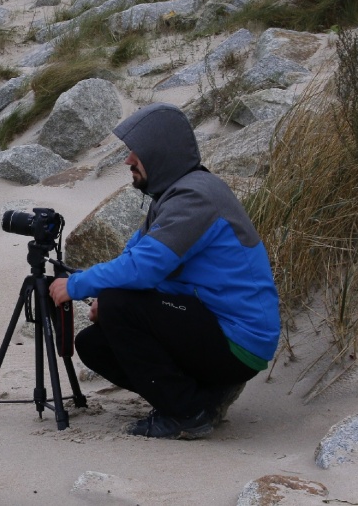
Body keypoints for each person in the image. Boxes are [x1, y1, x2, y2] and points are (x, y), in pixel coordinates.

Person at [49, 102, 280, 439]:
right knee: (94, 343)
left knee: (118, 304)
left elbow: (142, 269)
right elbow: (138, 256)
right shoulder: (171, 195)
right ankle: (205, 397)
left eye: (135, 153)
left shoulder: (196, 198)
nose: (128, 160)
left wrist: (77, 285)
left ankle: (187, 413)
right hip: (211, 323)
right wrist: (102, 297)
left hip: (239, 339)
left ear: (160, 153)